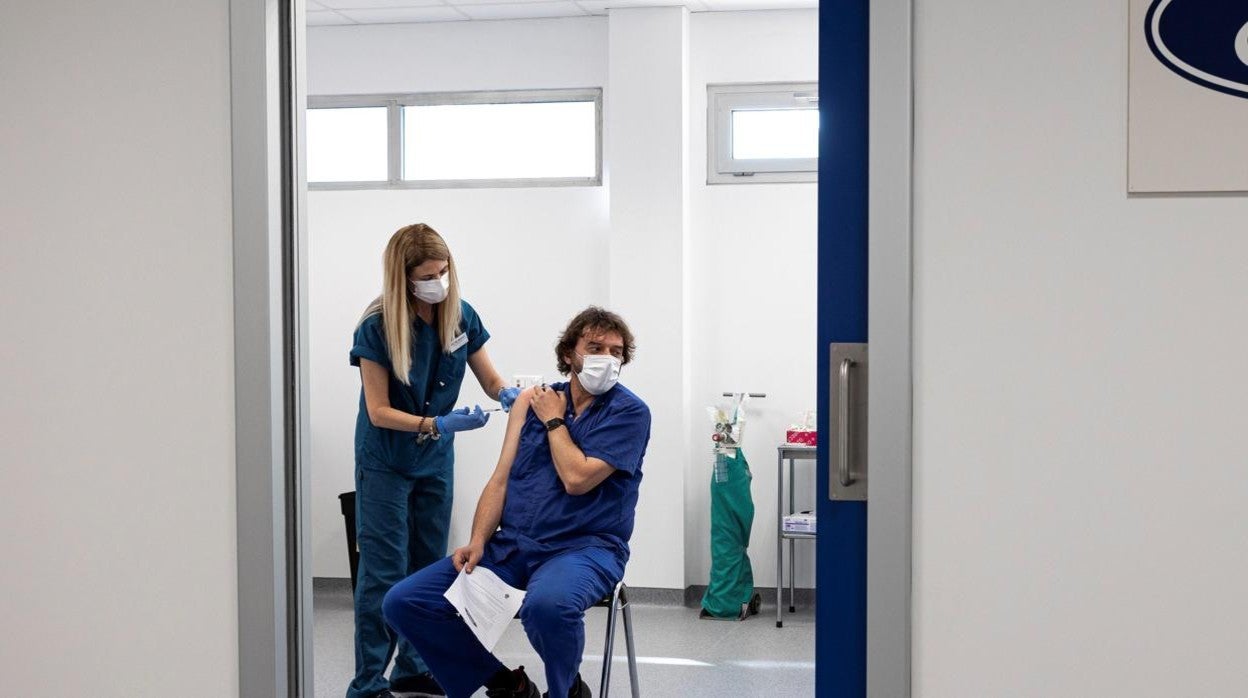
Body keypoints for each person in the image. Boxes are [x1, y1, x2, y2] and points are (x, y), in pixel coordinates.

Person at [381, 307, 651, 698]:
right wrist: (477, 539)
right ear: (569, 354)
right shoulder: (531, 401)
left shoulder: (630, 412)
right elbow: (500, 478)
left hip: (586, 549)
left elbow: (576, 479)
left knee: (547, 607)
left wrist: (555, 421)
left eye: (616, 351)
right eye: (594, 347)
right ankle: (507, 684)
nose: (606, 359)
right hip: (515, 544)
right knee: (405, 602)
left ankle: (567, 690)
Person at [348, 223, 521, 698]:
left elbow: (488, 379)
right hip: (386, 459)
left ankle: (412, 668)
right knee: (383, 573)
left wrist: (507, 394)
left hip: (434, 462)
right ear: (402, 277)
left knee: (426, 567)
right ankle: (366, 684)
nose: (438, 282)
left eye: (444, 271)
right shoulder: (377, 325)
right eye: (428, 274)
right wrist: (434, 425)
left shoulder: (459, 316)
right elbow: (379, 411)